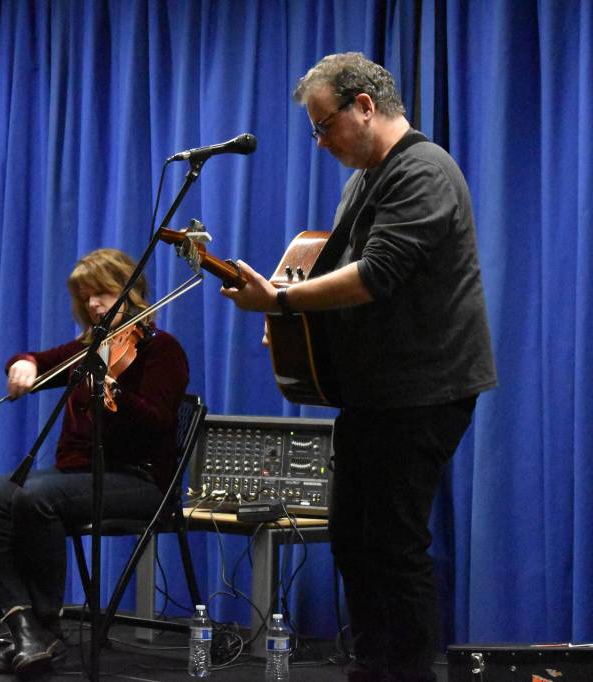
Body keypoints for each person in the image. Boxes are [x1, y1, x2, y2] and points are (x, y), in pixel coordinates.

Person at [219, 53, 497, 681]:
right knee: (352, 538)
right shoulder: (364, 179)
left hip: (426, 389)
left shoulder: (423, 170)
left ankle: (404, 673)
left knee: (393, 544)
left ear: (364, 106)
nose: (319, 141)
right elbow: (333, 275)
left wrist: (281, 299)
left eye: (323, 125)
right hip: (377, 394)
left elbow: (375, 276)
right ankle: (374, 668)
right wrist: (290, 322)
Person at [0, 248, 189, 678]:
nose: (93, 304)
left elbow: (160, 420)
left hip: (140, 479)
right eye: (86, 296)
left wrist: (113, 393)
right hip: (77, 474)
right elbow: (40, 360)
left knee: (37, 497)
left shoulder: (162, 350)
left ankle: (48, 625)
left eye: (103, 293)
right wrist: (22, 364)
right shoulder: (90, 345)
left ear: (131, 291)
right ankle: (24, 628)